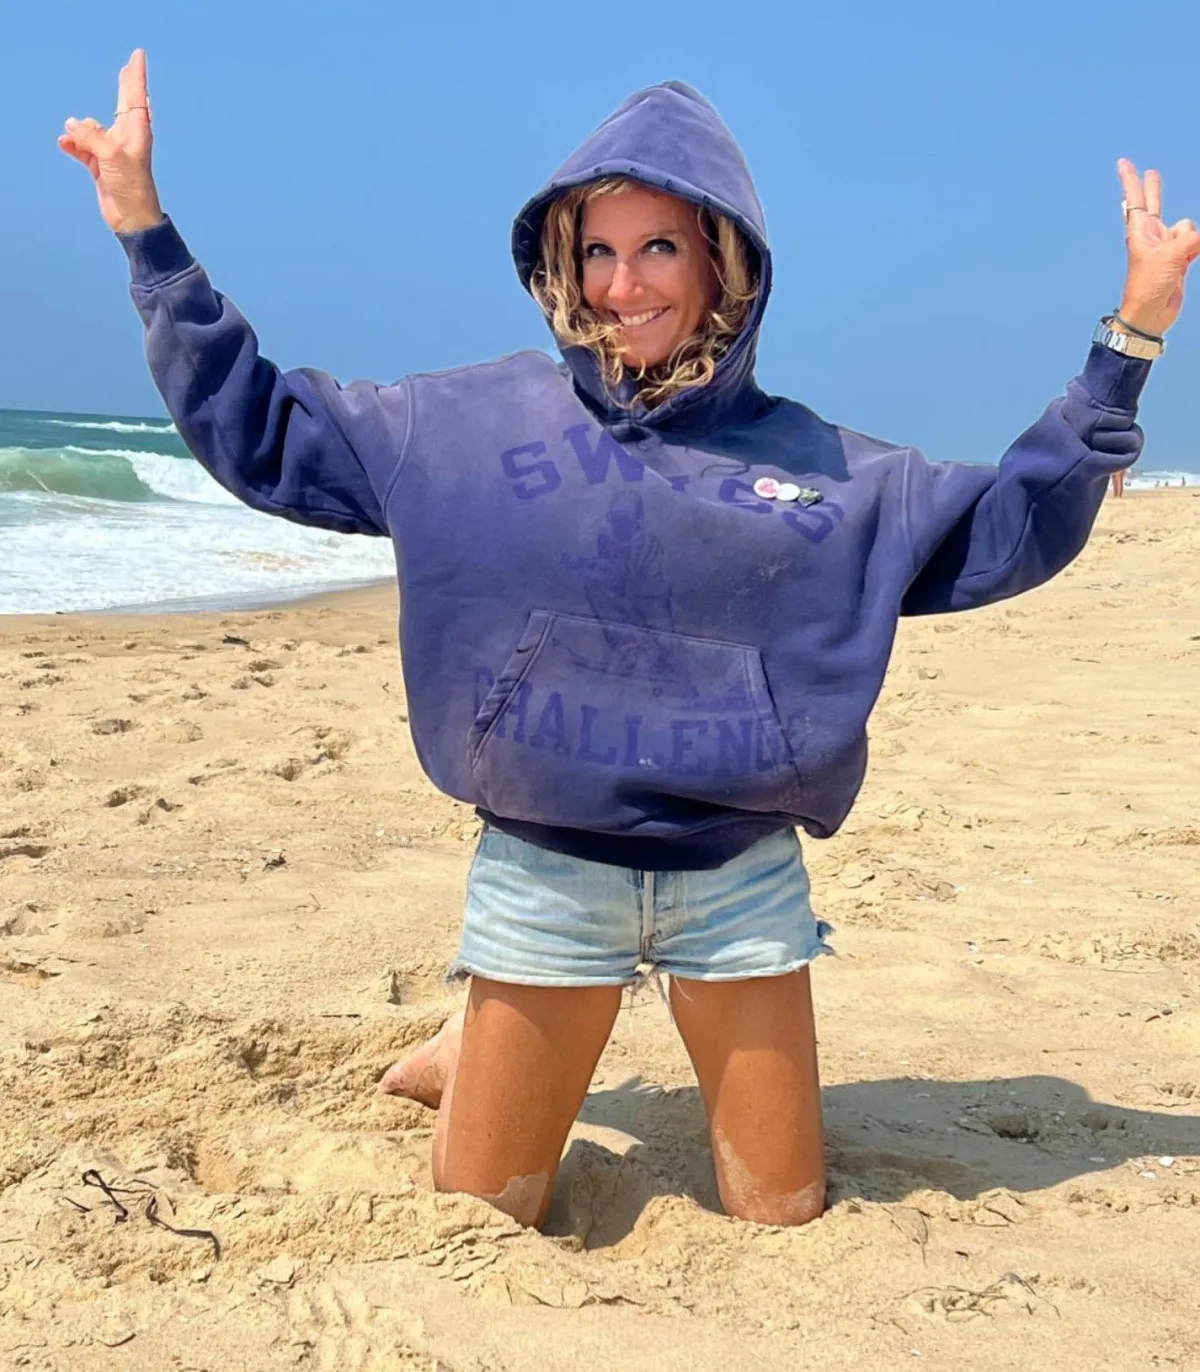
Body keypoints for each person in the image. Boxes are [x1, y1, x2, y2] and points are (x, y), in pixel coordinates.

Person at [61, 52, 1199, 1231]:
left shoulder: (827, 472)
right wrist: (146, 230)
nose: (622, 283)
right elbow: (259, 433)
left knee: (782, 1215)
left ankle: (493, 1035)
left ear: (724, 262)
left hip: (738, 881)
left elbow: (1012, 527)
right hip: (546, 875)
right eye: (596, 251)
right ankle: (482, 1038)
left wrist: (1130, 341)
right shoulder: (458, 427)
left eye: (658, 246)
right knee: (488, 1212)